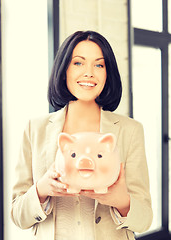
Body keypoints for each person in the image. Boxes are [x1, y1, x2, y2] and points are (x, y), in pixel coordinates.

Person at [11, 31, 153, 240]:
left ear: (108, 73)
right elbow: (17, 215)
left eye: (99, 65)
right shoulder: (35, 129)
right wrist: (42, 189)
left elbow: (145, 219)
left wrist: (121, 200)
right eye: (78, 63)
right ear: (64, 69)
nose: (89, 73)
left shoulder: (129, 130)